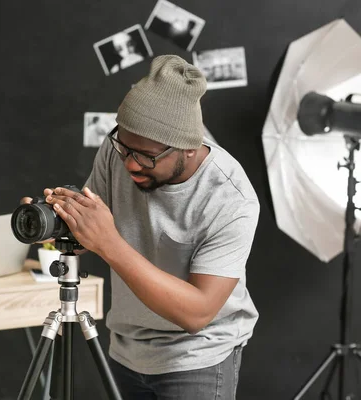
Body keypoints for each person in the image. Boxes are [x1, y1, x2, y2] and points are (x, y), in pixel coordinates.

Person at [24, 55, 259, 399]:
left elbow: (198, 312)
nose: (131, 164)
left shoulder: (230, 198)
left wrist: (110, 244)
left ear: (189, 149)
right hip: (126, 349)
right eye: (125, 148)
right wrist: (58, 219)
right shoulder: (117, 149)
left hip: (196, 358)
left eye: (147, 157)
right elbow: (92, 231)